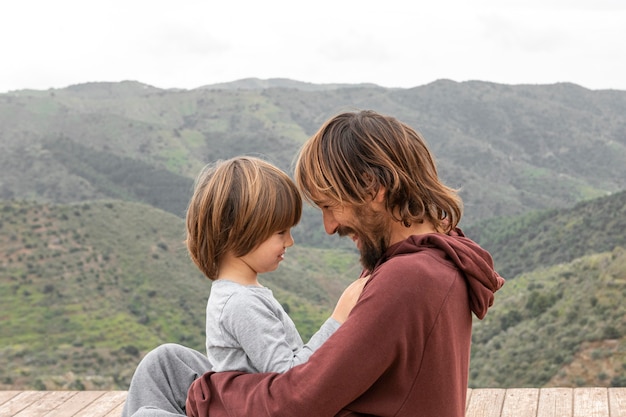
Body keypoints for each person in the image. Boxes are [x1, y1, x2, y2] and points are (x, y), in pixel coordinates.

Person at [122, 110, 505, 417]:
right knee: (165, 363)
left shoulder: (407, 279)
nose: (329, 226)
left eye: (328, 205)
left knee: (164, 389)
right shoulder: (436, 255)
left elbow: (298, 400)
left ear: (372, 189)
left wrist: (207, 393)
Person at [185, 156, 362, 373]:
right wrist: (338, 320)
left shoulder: (243, 296)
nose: (290, 241)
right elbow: (288, 377)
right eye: (281, 232)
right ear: (238, 231)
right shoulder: (241, 303)